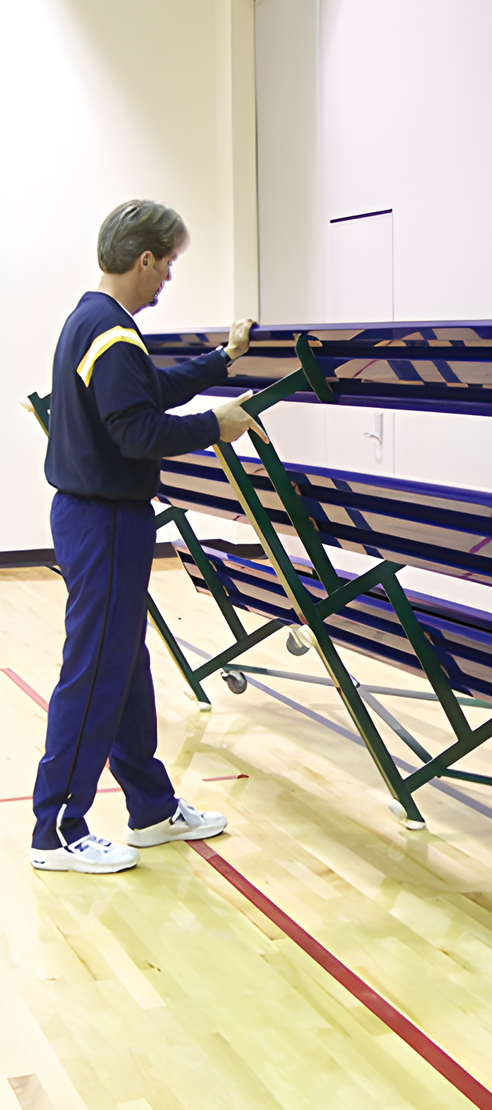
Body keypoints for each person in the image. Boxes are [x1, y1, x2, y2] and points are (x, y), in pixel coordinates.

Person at [29, 199, 266, 874]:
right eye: (167, 266)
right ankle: (58, 830)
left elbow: (145, 393)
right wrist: (215, 425)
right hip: (103, 522)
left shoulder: (94, 321)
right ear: (144, 259)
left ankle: (151, 808)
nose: (166, 280)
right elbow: (137, 432)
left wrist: (222, 360)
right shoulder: (112, 334)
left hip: (97, 519)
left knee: (124, 667)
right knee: (97, 671)